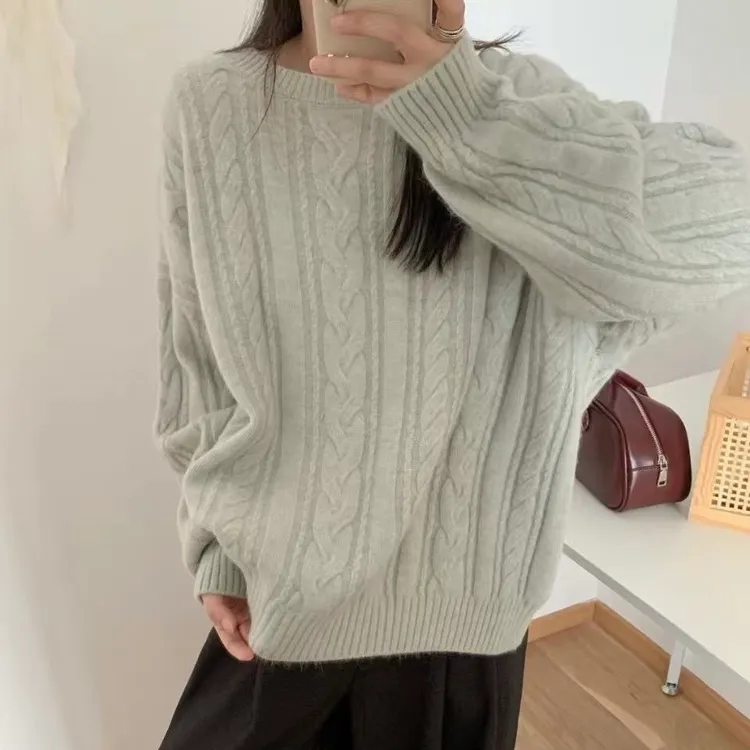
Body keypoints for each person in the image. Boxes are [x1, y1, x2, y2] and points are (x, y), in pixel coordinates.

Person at [155, 0, 750, 747]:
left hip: (461, 645)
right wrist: (214, 549)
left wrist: (464, 117)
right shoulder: (212, 105)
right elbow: (198, 359)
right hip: (281, 609)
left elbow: (728, 223)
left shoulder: (513, 99)